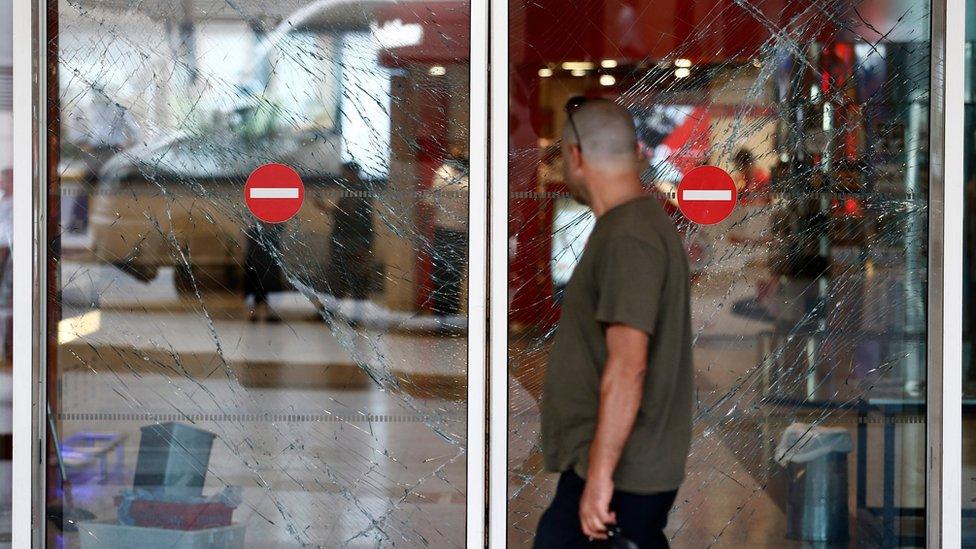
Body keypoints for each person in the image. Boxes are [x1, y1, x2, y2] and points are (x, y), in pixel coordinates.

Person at [534, 97, 693, 549]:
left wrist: (600, 479)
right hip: (623, 468)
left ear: (576, 156)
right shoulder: (633, 226)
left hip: (623, 474)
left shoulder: (629, 237)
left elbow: (629, 364)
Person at [324, 162, 375, 301]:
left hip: (353, 241)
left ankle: (350, 313)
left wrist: (365, 246)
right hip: (349, 240)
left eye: (344, 173)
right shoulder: (351, 189)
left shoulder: (358, 191)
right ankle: (332, 310)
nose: (342, 176)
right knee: (340, 278)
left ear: (352, 173)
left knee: (353, 279)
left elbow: (351, 214)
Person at [429, 149, 469, 315]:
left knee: (443, 273)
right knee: (452, 275)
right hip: (457, 231)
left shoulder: (441, 174)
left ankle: (441, 315)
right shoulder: (467, 180)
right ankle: (447, 315)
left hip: (444, 230)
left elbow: (431, 203)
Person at [243, 222, 284, 323]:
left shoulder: (276, 230)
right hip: (256, 263)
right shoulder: (253, 230)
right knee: (256, 288)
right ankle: (255, 312)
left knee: (270, 288)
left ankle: (269, 312)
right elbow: (248, 247)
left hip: (270, 263)